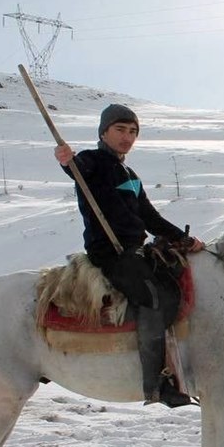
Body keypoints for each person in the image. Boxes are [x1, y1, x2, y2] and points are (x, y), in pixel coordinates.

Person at [54, 103, 204, 408]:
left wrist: (182, 238)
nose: (128, 136)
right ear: (104, 132)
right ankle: (157, 383)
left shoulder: (130, 174)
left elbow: (149, 215)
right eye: (120, 129)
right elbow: (76, 170)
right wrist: (66, 161)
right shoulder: (91, 160)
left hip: (136, 251)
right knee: (152, 296)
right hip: (110, 253)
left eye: (133, 131)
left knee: (174, 285)